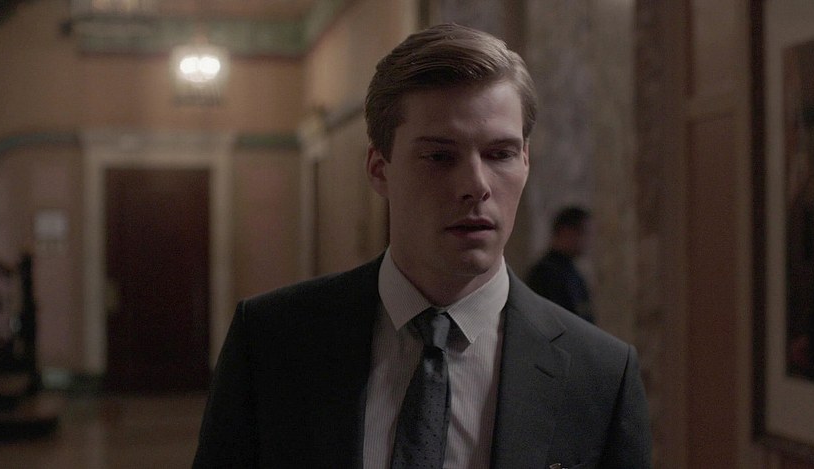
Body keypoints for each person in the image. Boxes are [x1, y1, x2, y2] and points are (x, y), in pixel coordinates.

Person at [193, 23, 651, 468]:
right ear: (379, 169)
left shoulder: (600, 373)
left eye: (500, 154)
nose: (476, 185)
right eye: (439, 156)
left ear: (526, 162)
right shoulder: (271, 341)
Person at [526, 206, 595, 323]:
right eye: (584, 233)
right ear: (566, 232)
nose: (588, 241)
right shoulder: (545, 274)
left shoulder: (572, 272)